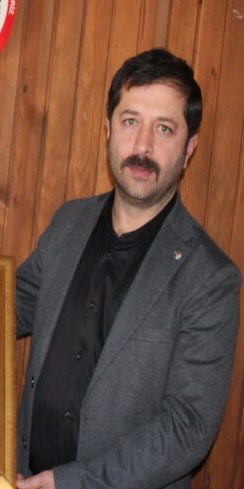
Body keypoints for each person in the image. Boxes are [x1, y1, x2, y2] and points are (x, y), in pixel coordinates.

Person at [15, 49, 240, 489]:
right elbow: (4, 306)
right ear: (108, 130)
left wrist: (70, 483)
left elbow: (187, 428)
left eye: (164, 128)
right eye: (131, 121)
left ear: (189, 149)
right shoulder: (68, 223)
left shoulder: (211, 279)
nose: (143, 147)